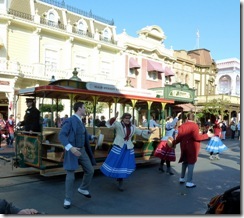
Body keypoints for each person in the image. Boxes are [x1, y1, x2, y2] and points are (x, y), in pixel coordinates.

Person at [100, 112, 155, 191]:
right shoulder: (118, 124)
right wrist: (114, 117)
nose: (127, 120)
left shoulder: (132, 127)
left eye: (129, 118)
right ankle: (116, 175)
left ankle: (121, 180)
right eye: (126, 118)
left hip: (128, 147)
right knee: (115, 162)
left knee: (124, 164)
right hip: (119, 146)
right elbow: (109, 125)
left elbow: (140, 132)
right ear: (123, 118)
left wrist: (149, 132)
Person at [58, 101, 96, 209]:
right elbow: (62, 136)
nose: (85, 110)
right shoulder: (70, 121)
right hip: (72, 151)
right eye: (84, 108)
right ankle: (67, 199)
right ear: (79, 109)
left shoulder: (80, 121)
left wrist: (92, 137)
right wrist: (70, 148)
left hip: (82, 150)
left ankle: (83, 188)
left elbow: (82, 134)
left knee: (90, 170)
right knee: (70, 176)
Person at [169, 112, 214, 188]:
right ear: (194, 118)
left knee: (185, 162)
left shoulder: (182, 125)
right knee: (191, 163)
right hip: (192, 147)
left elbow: (179, 137)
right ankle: (189, 182)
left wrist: (174, 143)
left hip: (183, 146)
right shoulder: (194, 126)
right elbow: (197, 137)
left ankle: (182, 178)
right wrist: (207, 135)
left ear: (187, 118)